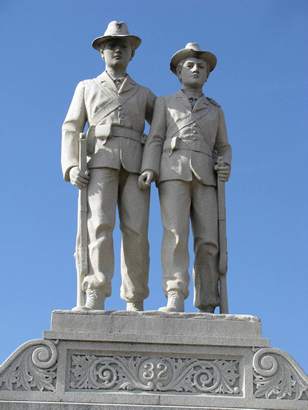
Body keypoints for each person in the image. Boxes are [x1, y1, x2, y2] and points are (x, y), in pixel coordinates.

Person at [61, 21, 155, 311]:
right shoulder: (87, 87)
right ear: (101, 52)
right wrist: (72, 166)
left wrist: (152, 164)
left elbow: (162, 131)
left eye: (123, 46)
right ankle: (96, 289)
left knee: (136, 232)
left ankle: (135, 295)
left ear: (132, 54)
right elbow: (71, 126)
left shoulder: (144, 94)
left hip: (135, 166)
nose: (117, 50)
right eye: (111, 45)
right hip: (99, 161)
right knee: (100, 227)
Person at [139, 43, 231, 313]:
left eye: (201, 67)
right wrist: (149, 169)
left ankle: (207, 301)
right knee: (175, 234)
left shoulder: (215, 110)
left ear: (207, 75)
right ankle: (175, 294)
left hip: (206, 176)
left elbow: (223, 146)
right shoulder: (165, 103)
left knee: (209, 240)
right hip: (173, 170)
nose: (195, 69)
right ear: (179, 73)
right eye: (189, 66)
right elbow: (155, 138)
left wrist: (225, 163)